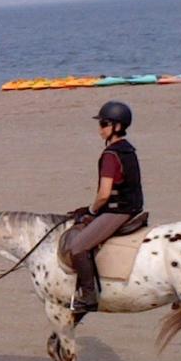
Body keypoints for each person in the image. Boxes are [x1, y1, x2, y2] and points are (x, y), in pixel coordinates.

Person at [64, 100, 142, 313]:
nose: (100, 129)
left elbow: (104, 194)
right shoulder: (128, 149)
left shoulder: (110, 155)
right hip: (132, 206)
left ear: (116, 127)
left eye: (103, 124)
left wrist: (91, 211)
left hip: (119, 210)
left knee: (78, 247)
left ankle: (89, 297)